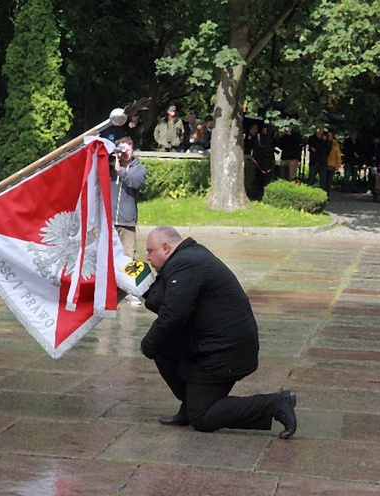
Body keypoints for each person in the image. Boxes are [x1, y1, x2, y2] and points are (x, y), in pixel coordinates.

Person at [140, 226, 298, 439]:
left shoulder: (186, 262)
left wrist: (147, 345)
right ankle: (190, 404)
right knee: (163, 347)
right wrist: (140, 284)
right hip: (211, 343)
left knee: (203, 417)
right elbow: (166, 301)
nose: (147, 257)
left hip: (225, 350)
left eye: (150, 251)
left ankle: (274, 403)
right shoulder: (185, 258)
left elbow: (173, 315)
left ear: (166, 248)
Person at [110, 136, 147, 259]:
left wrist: (119, 170)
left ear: (133, 150)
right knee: (108, 257)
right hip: (109, 221)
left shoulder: (139, 169)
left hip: (127, 221)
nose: (126, 153)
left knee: (128, 257)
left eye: (128, 150)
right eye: (122, 150)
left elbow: (135, 182)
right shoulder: (109, 167)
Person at [307, 126, 331, 190]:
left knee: (323, 180)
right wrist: (320, 147)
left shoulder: (326, 140)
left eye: (321, 130)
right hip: (314, 162)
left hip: (323, 162)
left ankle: (323, 195)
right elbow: (312, 148)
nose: (320, 131)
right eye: (318, 130)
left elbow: (327, 150)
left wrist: (323, 142)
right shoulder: (312, 138)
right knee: (311, 179)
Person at [325, 129, 342, 194]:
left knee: (329, 181)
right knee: (324, 181)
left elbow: (338, 155)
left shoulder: (335, 143)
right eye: (328, 135)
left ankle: (327, 194)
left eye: (330, 135)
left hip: (332, 164)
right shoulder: (324, 142)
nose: (329, 136)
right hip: (324, 163)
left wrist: (337, 165)